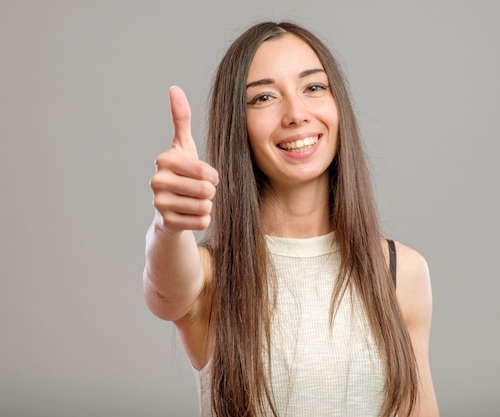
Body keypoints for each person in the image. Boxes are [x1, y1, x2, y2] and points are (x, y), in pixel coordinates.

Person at [144, 21, 439, 417]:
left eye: (313, 87)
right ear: (239, 127)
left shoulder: (400, 271)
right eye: (264, 97)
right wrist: (169, 226)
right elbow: (164, 290)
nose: (296, 113)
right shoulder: (214, 275)